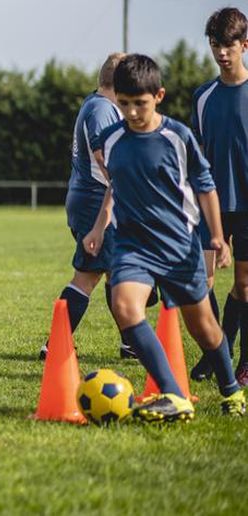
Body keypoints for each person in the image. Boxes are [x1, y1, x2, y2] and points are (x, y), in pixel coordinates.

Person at [85, 54, 244, 421]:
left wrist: (217, 236)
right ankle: (174, 395)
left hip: (178, 247)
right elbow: (115, 187)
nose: (132, 112)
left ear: (158, 96)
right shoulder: (110, 140)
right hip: (132, 245)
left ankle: (231, 391)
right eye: (123, 104)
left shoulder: (178, 137)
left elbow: (205, 188)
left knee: (204, 328)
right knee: (124, 306)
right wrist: (98, 226)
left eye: (139, 103)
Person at [39, 53, 139, 360]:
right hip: (96, 203)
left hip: (91, 200)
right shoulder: (100, 110)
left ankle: (131, 343)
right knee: (87, 275)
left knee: (113, 273)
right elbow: (104, 158)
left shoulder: (95, 103)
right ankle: (54, 344)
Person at [189, 7, 248, 385]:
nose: (222, 53)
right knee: (202, 282)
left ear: (245, 44)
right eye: (215, 45)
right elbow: (195, 155)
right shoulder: (202, 96)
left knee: (244, 284)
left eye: (229, 45)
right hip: (210, 206)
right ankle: (218, 351)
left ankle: (243, 363)